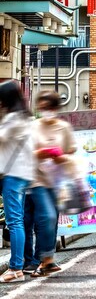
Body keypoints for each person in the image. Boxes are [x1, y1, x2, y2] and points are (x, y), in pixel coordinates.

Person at [25, 90, 77, 278]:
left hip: (57, 181)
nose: (46, 110)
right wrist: (42, 153)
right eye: (43, 107)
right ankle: (46, 259)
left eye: (50, 107)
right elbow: (25, 153)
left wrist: (59, 156)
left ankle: (45, 261)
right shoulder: (33, 127)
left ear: (56, 108)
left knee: (51, 220)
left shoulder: (63, 127)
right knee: (46, 216)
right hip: (36, 179)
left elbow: (71, 151)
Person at [0, 81, 35, 283]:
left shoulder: (14, 119)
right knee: (17, 221)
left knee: (14, 222)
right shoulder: (26, 118)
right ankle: (17, 267)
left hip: (13, 176)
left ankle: (15, 268)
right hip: (22, 175)